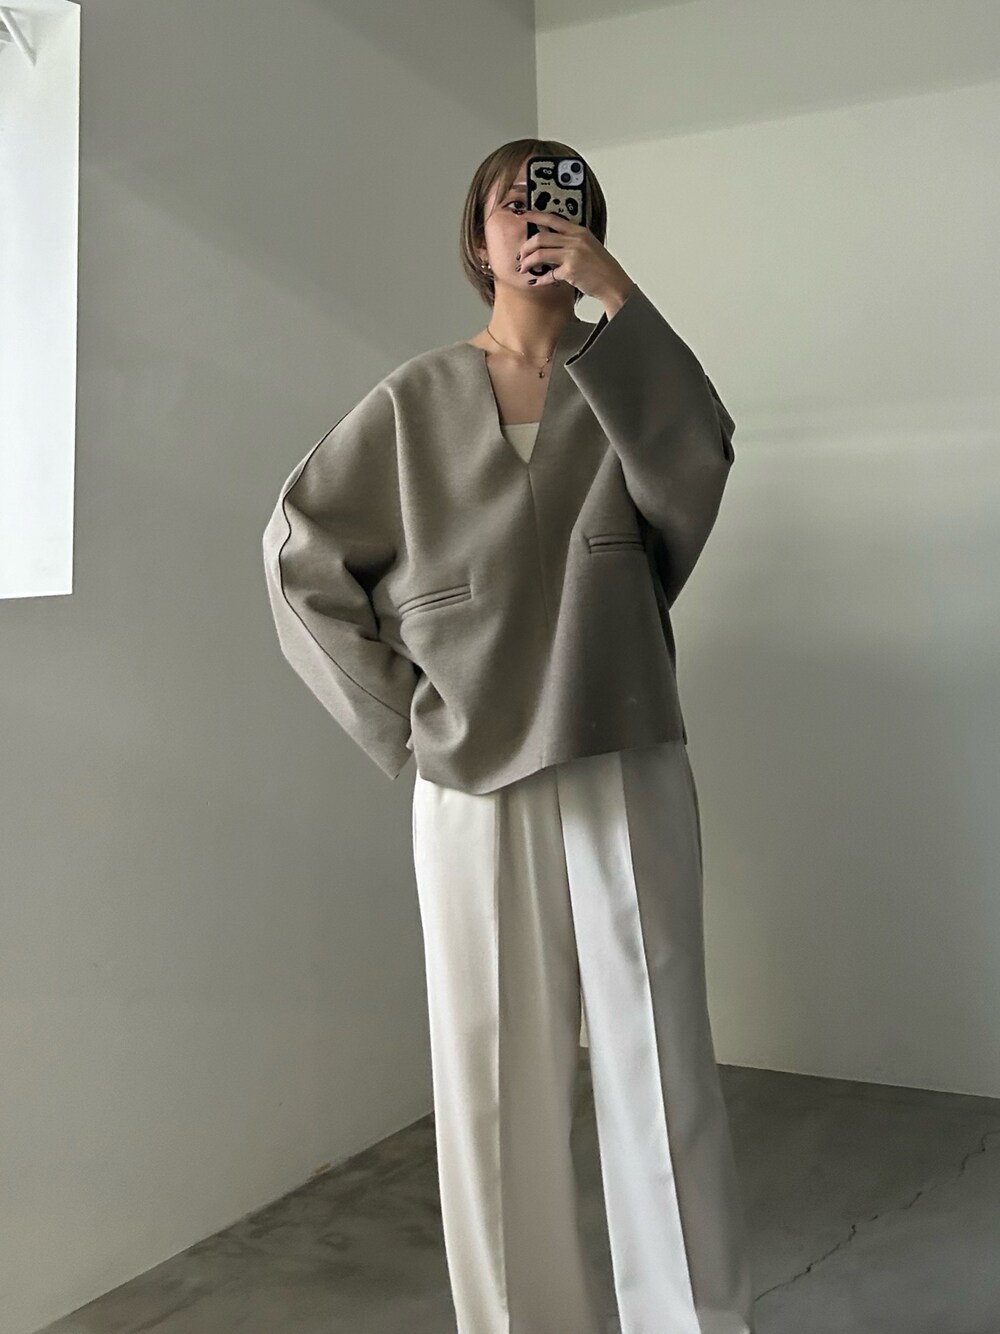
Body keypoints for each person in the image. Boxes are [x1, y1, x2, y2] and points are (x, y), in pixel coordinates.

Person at [262, 137, 755, 1334]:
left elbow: (699, 457)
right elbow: (297, 559)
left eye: (560, 198)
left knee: (659, 1053)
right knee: (491, 1072)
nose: (537, 217)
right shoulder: (413, 399)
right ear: (476, 237)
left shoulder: (623, 376)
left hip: (621, 735)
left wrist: (616, 293)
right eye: (513, 202)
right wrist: (406, 718)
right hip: (470, 773)